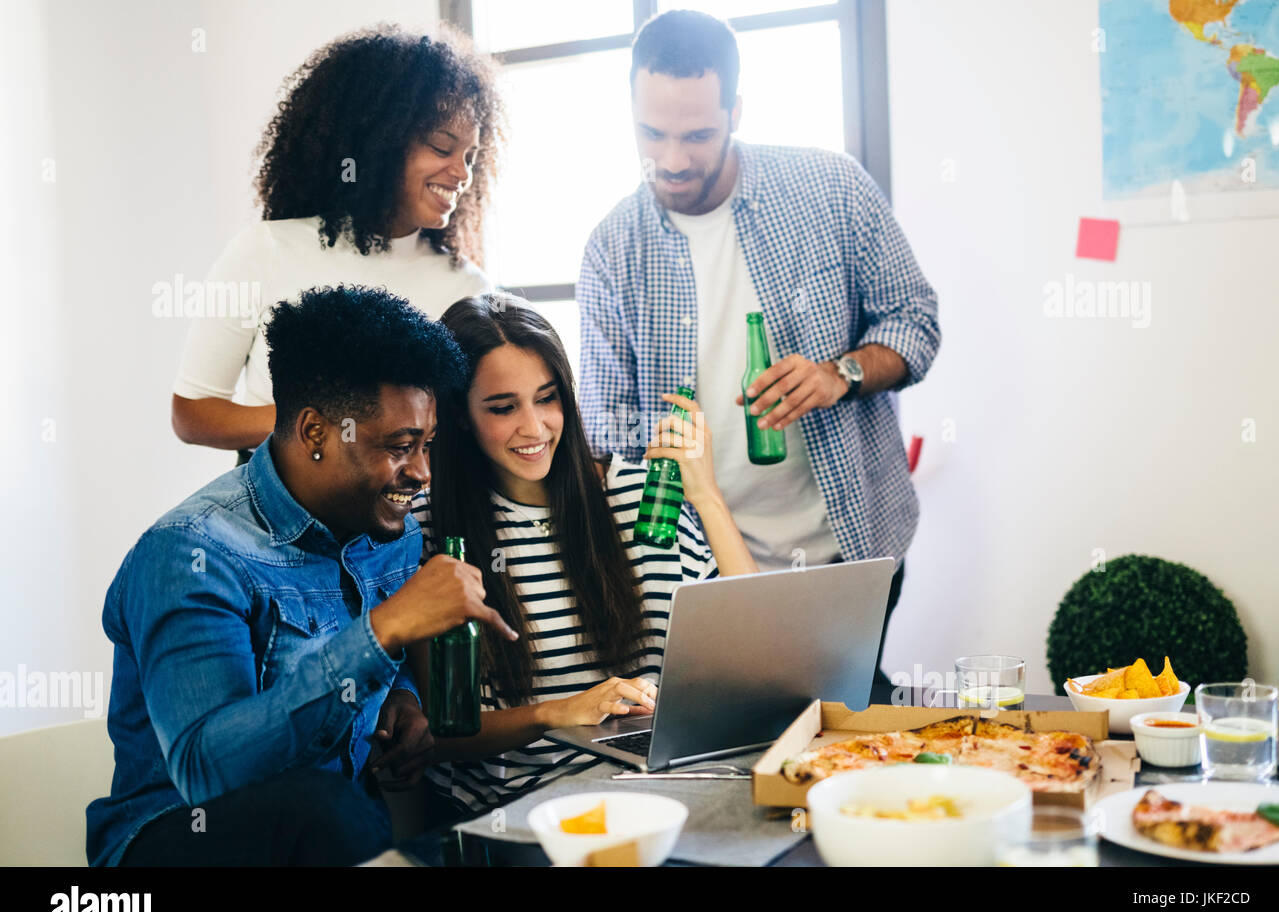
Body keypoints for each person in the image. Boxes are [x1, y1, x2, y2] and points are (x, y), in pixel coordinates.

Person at [87, 286, 515, 866]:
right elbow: (207, 775)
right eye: (399, 446)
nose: (422, 473)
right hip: (175, 843)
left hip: (333, 840)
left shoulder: (392, 534)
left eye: (428, 445)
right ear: (317, 433)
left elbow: (377, 682)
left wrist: (405, 702)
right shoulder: (192, 553)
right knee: (321, 806)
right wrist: (384, 630)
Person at [576, 10, 940, 690]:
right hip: (704, 568)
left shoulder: (831, 188)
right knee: (744, 751)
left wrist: (842, 374)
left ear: (736, 110)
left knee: (847, 728)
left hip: (852, 548)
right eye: (652, 134)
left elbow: (915, 320)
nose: (674, 159)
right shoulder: (610, 250)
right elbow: (607, 438)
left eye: (698, 135)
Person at [411, 293, 756, 812]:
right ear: (459, 414)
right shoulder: (429, 531)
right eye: (504, 408)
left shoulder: (640, 496)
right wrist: (559, 711)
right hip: (529, 807)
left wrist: (706, 496)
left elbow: (761, 650)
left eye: (547, 398)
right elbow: (443, 735)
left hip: (673, 784)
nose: (534, 427)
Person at [171, 25, 503, 459]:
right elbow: (193, 414)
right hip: (275, 522)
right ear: (379, 141)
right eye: (442, 147)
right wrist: (328, 423)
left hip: (415, 522)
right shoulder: (264, 251)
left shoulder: (468, 289)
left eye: (471, 158)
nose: (462, 174)